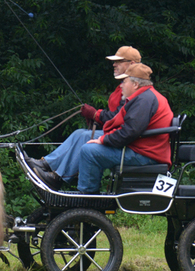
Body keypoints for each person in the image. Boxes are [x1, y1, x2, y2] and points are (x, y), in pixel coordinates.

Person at [28, 63, 174, 194]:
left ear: (135, 84)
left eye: (124, 81)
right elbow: (128, 129)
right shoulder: (145, 97)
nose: (121, 85)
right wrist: (103, 138)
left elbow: (129, 132)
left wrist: (104, 140)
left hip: (145, 155)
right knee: (84, 136)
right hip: (141, 148)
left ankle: (88, 197)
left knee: (89, 151)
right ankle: (52, 173)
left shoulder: (144, 100)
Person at [26, 46, 142, 187]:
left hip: (127, 140)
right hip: (119, 133)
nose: (114, 64)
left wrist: (95, 114)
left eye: (119, 61)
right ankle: (47, 165)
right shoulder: (124, 86)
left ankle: (58, 178)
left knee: (84, 138)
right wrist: (96, 117)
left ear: (131, 64)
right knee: (80, 134)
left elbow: (118, 116)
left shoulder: (134, 87)